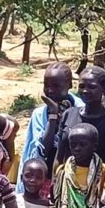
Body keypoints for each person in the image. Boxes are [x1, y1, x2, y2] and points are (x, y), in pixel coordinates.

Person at [19, 62, 83, 200]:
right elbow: (42, 150)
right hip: (43, 179)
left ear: (70, 85)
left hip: (76, 177)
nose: (50, 90)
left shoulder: (81, 110)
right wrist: (53, 117)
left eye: (56, 86)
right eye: (46, 85)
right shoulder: (40, 114)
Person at [50, 66, 105, 167]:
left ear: (103, 88)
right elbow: (59, 156)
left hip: (98, 179)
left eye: (92, 87)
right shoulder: (68, 114)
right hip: (69, 179)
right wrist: (56, 180)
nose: (85, 90)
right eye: (82, 86)